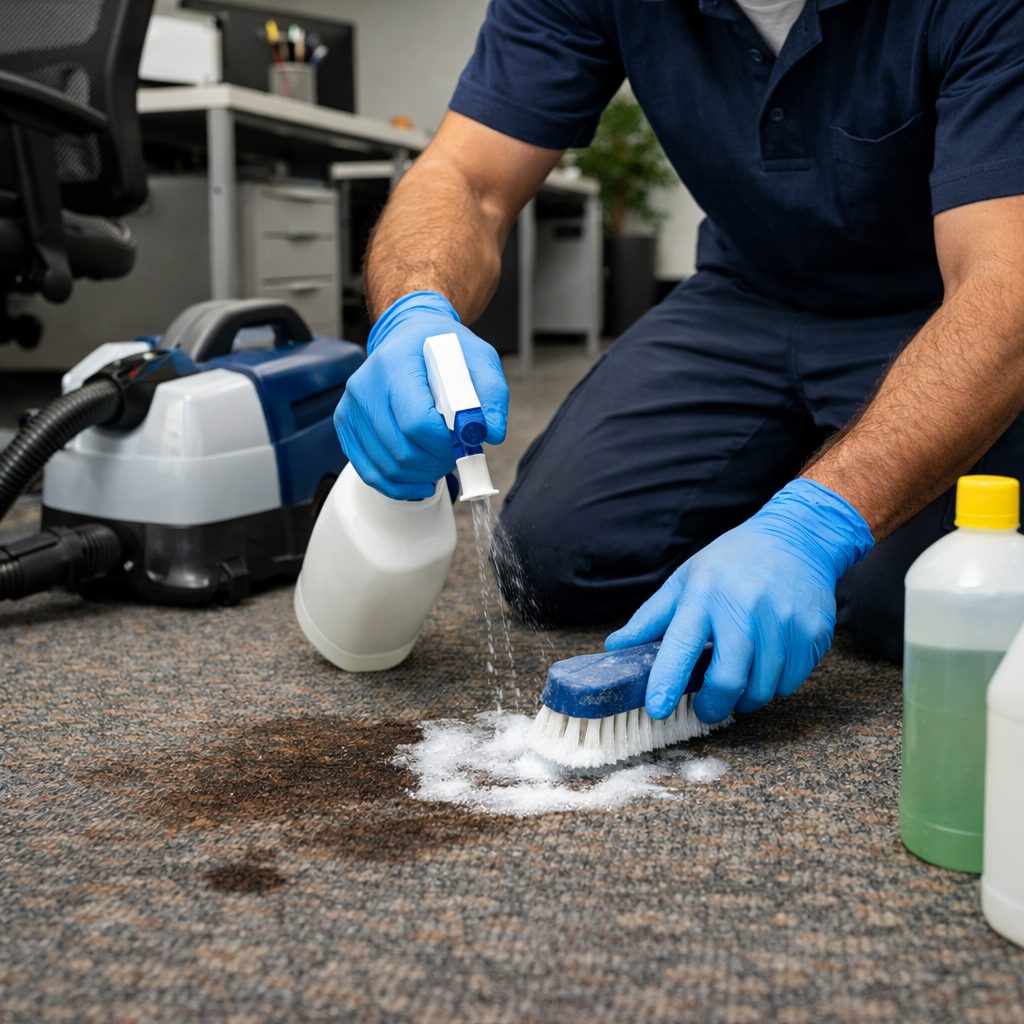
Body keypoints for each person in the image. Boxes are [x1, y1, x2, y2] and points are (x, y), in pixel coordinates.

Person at [334, 0, 1024, 727]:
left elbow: (1002, 285)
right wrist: (415, 310)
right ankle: (794, 476)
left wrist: (815, 524)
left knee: (912, 597)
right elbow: (466, 176)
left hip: (944, 307)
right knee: (555, 554)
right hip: (747, 294)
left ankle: (811, 494)